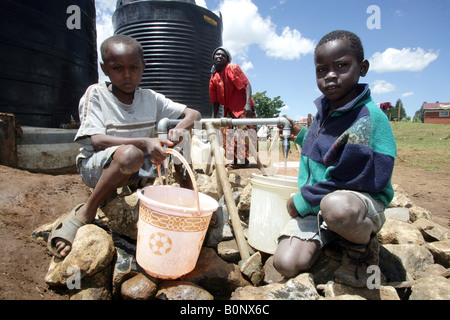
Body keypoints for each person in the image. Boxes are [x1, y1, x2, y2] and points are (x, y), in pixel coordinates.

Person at [47, 35, 201, 259]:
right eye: (118, 68)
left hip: (137, 167)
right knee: (131, 154)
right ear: (104, 69)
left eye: (134, 68)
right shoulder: (97, 94)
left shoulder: (150, 98)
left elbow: (194, 114)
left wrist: (181, 128)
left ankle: (190, 203)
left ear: (143, 67)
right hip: (97, 167)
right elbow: (96, 141)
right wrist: (143, 141)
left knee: (180, 142)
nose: (127, 74)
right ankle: (86, 212)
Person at [273, 30, 397, 287]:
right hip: (322, 203)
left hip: (357, 200)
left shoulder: (367, 118)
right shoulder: (326, 110)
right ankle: (331, 239)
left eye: (341, 66)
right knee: (285, 263)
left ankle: (360, 247)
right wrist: (300, 135)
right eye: (321, 69)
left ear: (362, 68)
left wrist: (302, 201)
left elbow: (350, 179)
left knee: (338, 208)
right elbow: (328, 151)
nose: (330, 75)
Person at [209, 47, 257, 170]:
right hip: (229, 109)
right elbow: (214, 101)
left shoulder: (232, 68)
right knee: (227, 133)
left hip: (242, 107)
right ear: (213, 58)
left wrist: (247, 104)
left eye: (223, 55)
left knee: (243, 133)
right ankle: (236, 159)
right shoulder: (214, 77)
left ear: (227, 59)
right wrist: (214, 120)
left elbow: (247, 85)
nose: (219, 57)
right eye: (217, 55)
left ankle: (242, 160)